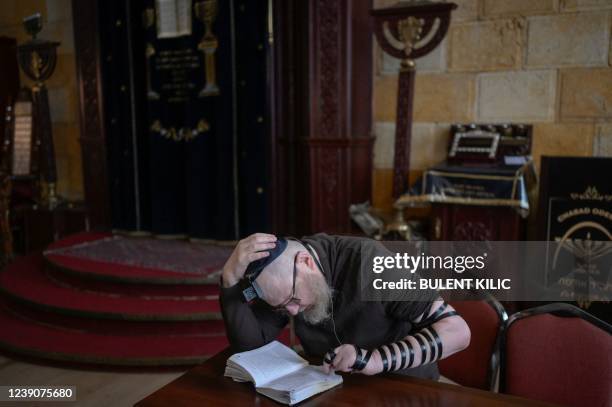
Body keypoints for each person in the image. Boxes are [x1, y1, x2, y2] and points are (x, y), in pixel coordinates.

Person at [220, 233, 471, 379]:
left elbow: (458, 332)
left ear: (306, 262)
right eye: (283, 308)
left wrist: (373, 359)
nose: (293, 312)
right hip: (336, 389)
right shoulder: (284, 283)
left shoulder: (370, 262)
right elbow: (250, 347)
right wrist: (230, 281)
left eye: (293, 300)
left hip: (403, 386)